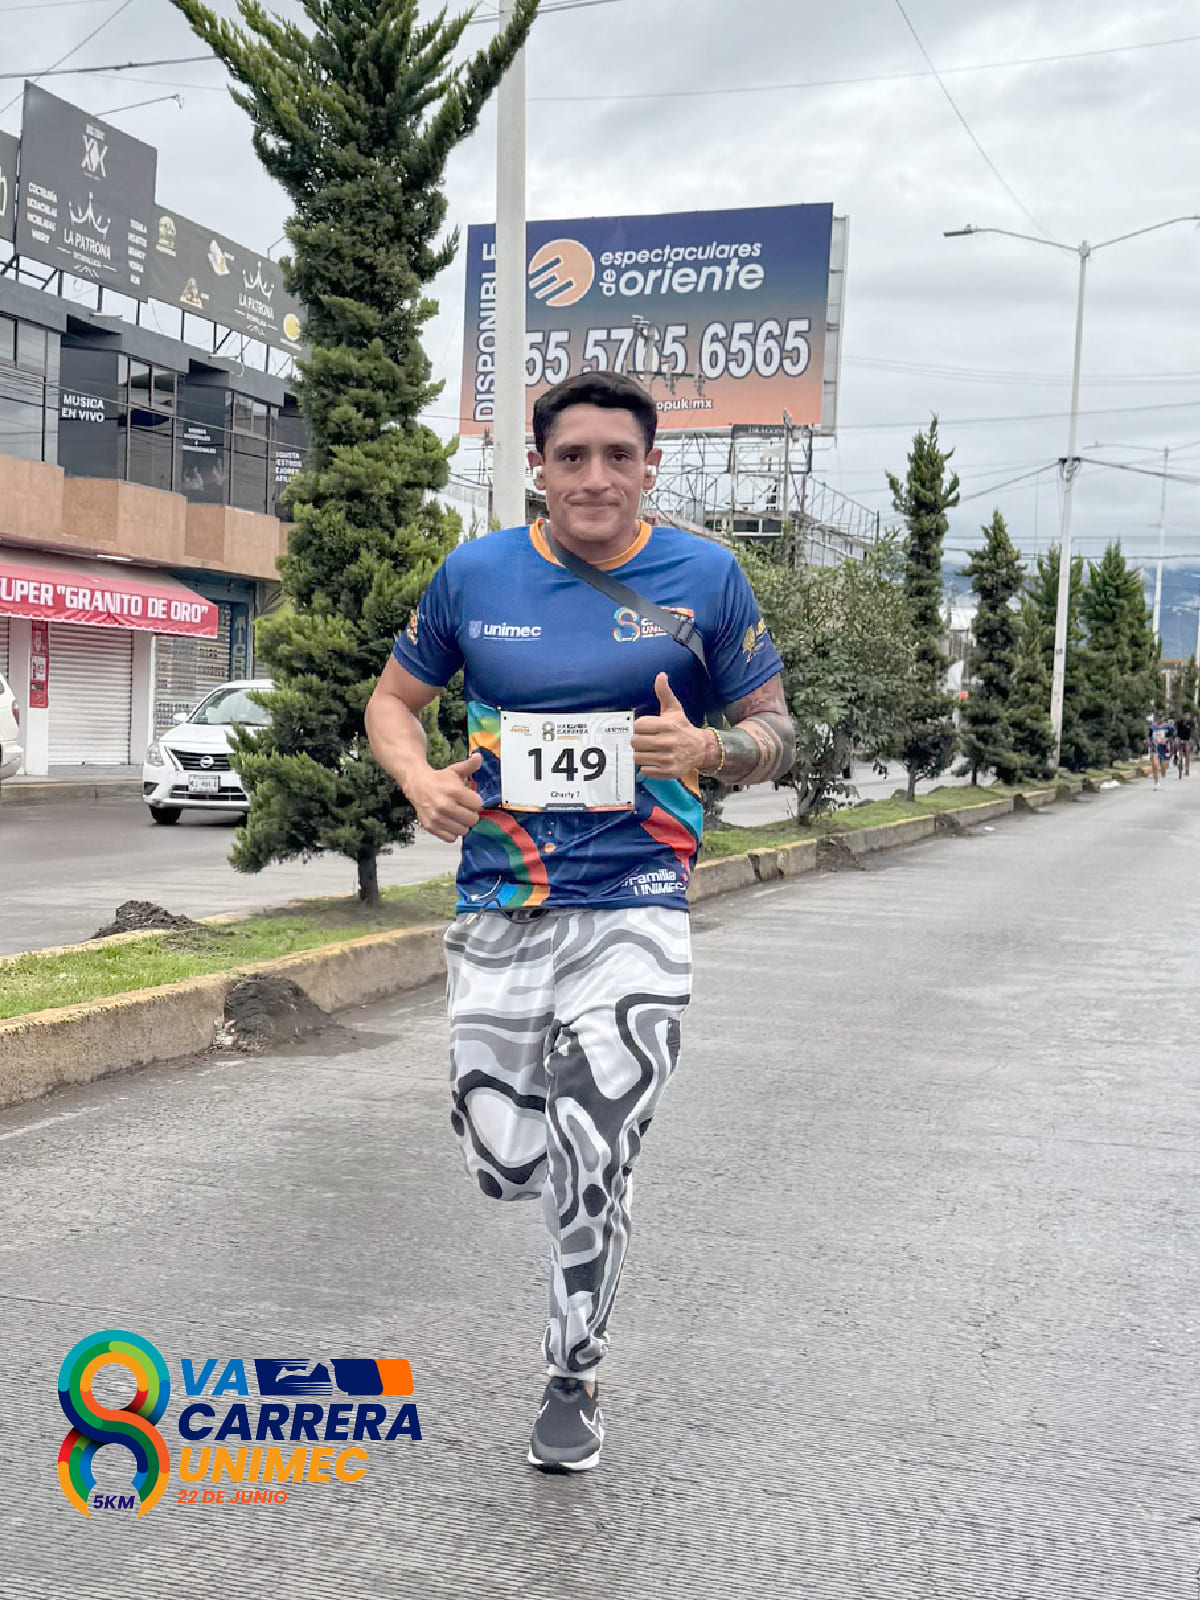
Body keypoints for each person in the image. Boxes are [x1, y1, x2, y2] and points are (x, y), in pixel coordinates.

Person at [365, 371, 794, 1473]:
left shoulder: (706, 578)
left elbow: (778, 730)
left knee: (595, 1143)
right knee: (509, 1159)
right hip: (501, 900)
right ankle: (544, 1150)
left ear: (650, 468)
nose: (595, 476)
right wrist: (418, 781)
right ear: (539, 470)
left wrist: (710, 749)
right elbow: (393, 702)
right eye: (572, 457)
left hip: (638, 896)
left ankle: (574, 1370)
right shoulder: (476, 575)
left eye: (618, 456)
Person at [1174, 708, 1193, 777]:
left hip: (1187, 739)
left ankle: (1187, 770)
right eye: (1187, 715)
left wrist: (1191, 738)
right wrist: (1176, 737)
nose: (1188, 717)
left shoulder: (1191, 723)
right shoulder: (1179, 722)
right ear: (1183, 716)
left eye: (1189, 716)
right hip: (1179, 737)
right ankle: (1175, 757)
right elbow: (1175, 730)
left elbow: (1192, 732)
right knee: (1176, 744)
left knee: (1187, 751)